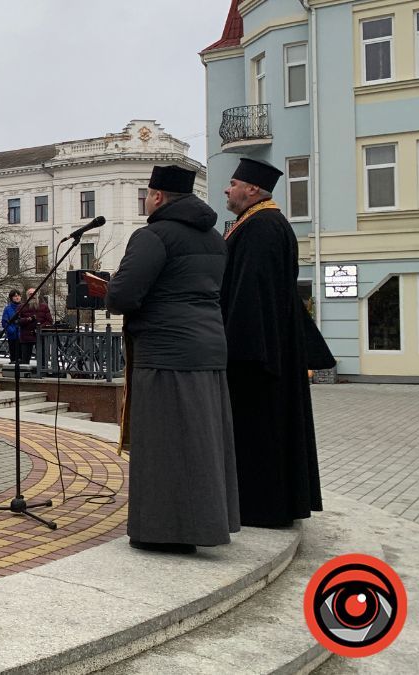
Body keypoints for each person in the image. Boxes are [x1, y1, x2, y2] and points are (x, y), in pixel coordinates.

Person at [105, 164, 240, 553]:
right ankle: (207, 524)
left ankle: (164, 531)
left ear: (159, 196)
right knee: (202, 444)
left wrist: (110, 286)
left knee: (164, 443)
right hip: (209, 350)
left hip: (165, 354)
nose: (146, 200)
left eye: (147, 194)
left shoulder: (153, 236)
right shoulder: (217, 239)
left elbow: (123, 297)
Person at [221, 157, 333, 528]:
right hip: (267, 348)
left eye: (233, 183)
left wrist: (238, 352)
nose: (227, 188)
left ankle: (260, 506)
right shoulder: (259, 223)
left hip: (256, 356)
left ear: (252, 189)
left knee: (260, 433)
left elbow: (250, 295)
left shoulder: (262, 227)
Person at [16, 287, 51, 364]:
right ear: (27, 296)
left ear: (38, 295)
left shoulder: (44, 306)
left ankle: (42, 372)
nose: (33, 296)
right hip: (26, 336)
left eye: (34, 294)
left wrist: (40, 328)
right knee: (24, 360)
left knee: (42, 359)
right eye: (30, 294)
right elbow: (17, 321)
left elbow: (49, 321)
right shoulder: (21, 307)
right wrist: (27, 319)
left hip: (40, 335)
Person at [0, 290, 24, 363]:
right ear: (11, 298)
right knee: (13, 356)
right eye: (15, 296)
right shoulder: (8, 308)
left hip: (22, 335)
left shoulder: (24, 307)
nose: (17, 297)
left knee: (22, 356)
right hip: (12, 336)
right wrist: (11, 330)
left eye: (18, 296)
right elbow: (4, 321)